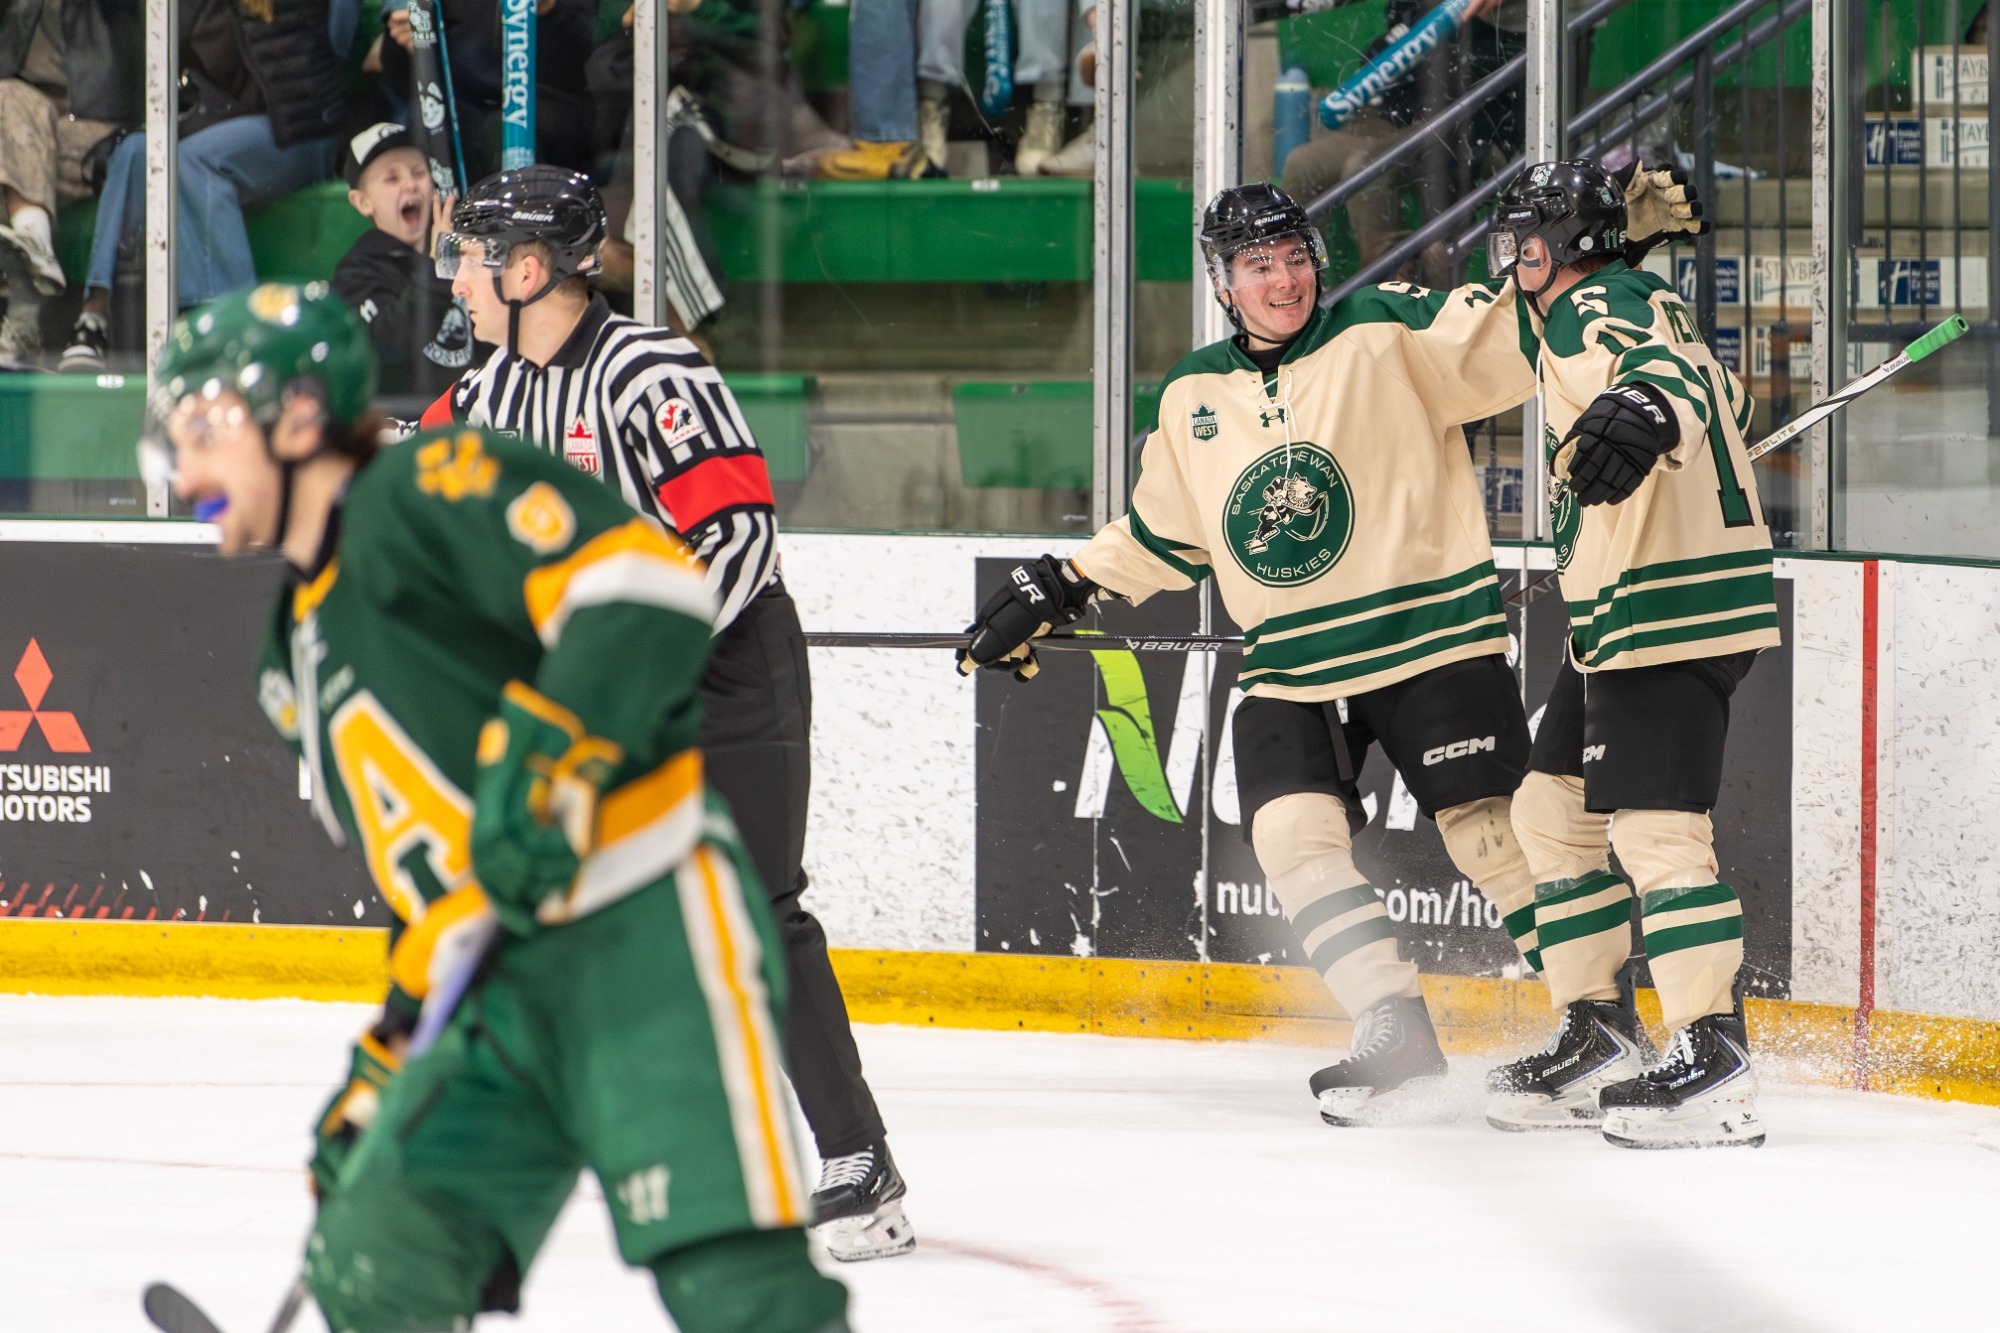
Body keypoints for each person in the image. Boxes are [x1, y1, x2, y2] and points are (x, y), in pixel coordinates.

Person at [140, 281, 851, 1333]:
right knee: (377, 1260)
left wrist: (549, 754)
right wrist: (387, 1047)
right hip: (490, 998)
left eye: (205, 430)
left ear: (297, 413)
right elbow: (422, 880)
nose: (185, 468)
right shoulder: (287, 654)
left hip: (639, 933)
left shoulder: (431, 480)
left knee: (734, 1286)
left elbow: (647, 589)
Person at [960, 181, 1548, 1126]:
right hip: (1289, 660)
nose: (1283, 279)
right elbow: (1164, 535)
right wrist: (1060, 584)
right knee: (1288, 836)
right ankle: (1393, 1024)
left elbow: (1522, 338)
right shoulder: (1193, 389)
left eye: (1293, 255)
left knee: (1489, 835)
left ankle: (1599, 1016)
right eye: (1257, 265)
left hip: (1427, 635)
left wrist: (1582, 263)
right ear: (1224, 282)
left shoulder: (1387, 328)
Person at [422, 166, 915, 1260]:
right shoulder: (488, 391)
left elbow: (736, 536)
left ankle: (856, 1159)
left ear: (531, 269)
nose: (452, 273)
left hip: (725, 668)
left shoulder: (651, 372)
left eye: (470, 255)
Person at [1479, 159, 1772, 1150]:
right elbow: (1718, 390)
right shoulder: (1621, 299)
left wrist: (1644, 405)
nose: (1510, 259)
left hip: (1666, 606)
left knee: (1653, 832)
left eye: (1523, 241)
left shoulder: (1596, 305)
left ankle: (1711, 1056)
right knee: (1549, 811)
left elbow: (1671, 380)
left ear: (1559, 250)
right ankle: (1599, 1028)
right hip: (1624, 610)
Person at [57, 0, 351, 372]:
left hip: (298, 128)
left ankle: (235, 332)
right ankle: (93, 318)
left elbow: (336, 45)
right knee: (134, 151)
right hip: (219, 124)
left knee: (192, 160)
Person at [0, 0, 135, 361]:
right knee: (9, 102)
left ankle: (24, 315)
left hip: (92, 127)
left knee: (9, 144)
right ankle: (33, 246)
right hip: (22, 126)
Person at [331, 120, 483, 402]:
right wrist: (440, 267)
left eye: (418, 172)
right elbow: (382, 350)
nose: (410, 184)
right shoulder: (357, 273)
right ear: (363, 202)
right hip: (412, 423)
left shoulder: (469, 255)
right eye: (392, 178)